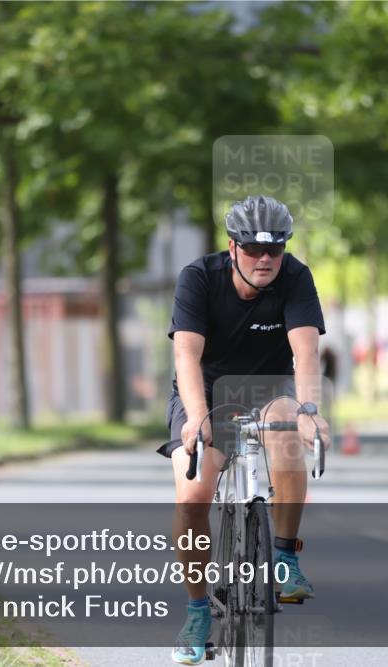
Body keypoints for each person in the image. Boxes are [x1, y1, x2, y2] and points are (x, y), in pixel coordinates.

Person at [158, 195, 331, 664]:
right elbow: (186, 357)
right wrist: (196, 416)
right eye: (253, 249)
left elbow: (306, 353)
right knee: (193, 496)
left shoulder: (295, 277)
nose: (264, 259)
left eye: (274, 250)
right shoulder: (198, 277)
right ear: (232, 247)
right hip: (205, 392)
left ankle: (285, 559)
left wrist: (310, 409)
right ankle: (197, 613)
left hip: (269, 387)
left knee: (289, 432)